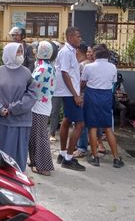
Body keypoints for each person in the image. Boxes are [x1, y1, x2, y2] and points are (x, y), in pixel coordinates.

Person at [0, 43, 37, 172]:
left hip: (21, 121)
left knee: (19, 155)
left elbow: (32, 94)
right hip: (2, 121)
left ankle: (18, 179)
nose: (21, 55)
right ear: (9, 53)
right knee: (2, 155)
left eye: (21, 52)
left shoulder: (26, 72)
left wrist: (12, 109)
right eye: (18, 52)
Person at [81, 45, 124, 168]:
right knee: (107, 127)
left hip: (92, 95)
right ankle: (116, 158)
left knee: (92, 127)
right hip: (106, 96)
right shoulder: (113, 67)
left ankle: (95, 157)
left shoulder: (88, 67)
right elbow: (112, 82)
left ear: (95, 55)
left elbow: (83, 83)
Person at [55, 27, 86, 171]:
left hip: (69, 92)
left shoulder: (71, 52)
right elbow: (65, 73)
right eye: (78, 36)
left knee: (67, 121)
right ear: (70, 37)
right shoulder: (66, 52)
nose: (80, 38)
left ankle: (62, 154)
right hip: (69, 93)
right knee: (80, 124)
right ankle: (68, 158)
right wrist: (76, 95)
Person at [29, 41, 57, 176]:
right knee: (35, 136)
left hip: (39, 106)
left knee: (39, 137)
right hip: (42, 105)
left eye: (36, 49)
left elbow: (30, 83)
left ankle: (43, 167)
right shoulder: (47, 66)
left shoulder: (42, 68)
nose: (34, 51)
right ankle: (35, 162)